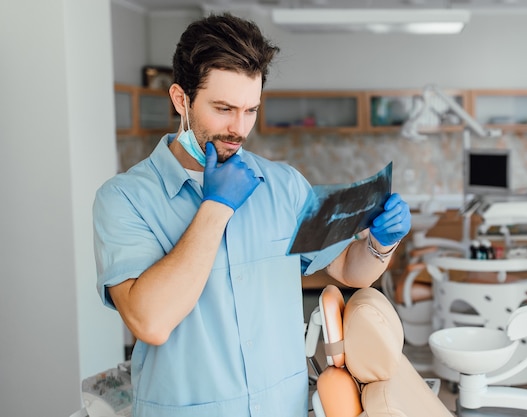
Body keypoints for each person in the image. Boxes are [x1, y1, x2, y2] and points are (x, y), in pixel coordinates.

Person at [93, 12, 411, 417]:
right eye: (223, 109)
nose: (238, 129)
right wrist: (216, 206)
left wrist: (381, 244)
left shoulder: (282, 186)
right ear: (181, 100)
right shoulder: (123, 199)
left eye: (250, 110)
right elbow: (150, 321)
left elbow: (348, 268)